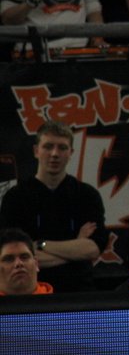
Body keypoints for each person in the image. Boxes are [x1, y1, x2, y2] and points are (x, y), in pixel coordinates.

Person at [0, 121, 108, 292]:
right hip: (32, 294)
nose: (55, 154)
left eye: (62, 148)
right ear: (36, 150)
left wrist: (40, 244)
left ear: (71, 153)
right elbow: (16, 256)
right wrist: (76, 248)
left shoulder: (87, 195)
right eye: (48, 146)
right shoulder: (16, 197)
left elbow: (93, 249)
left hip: (80, 292)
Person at [0, 228, 54, 295]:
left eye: (24, 257)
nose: (19, 263)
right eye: (9, 259)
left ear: (36, 264)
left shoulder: (61, 301)